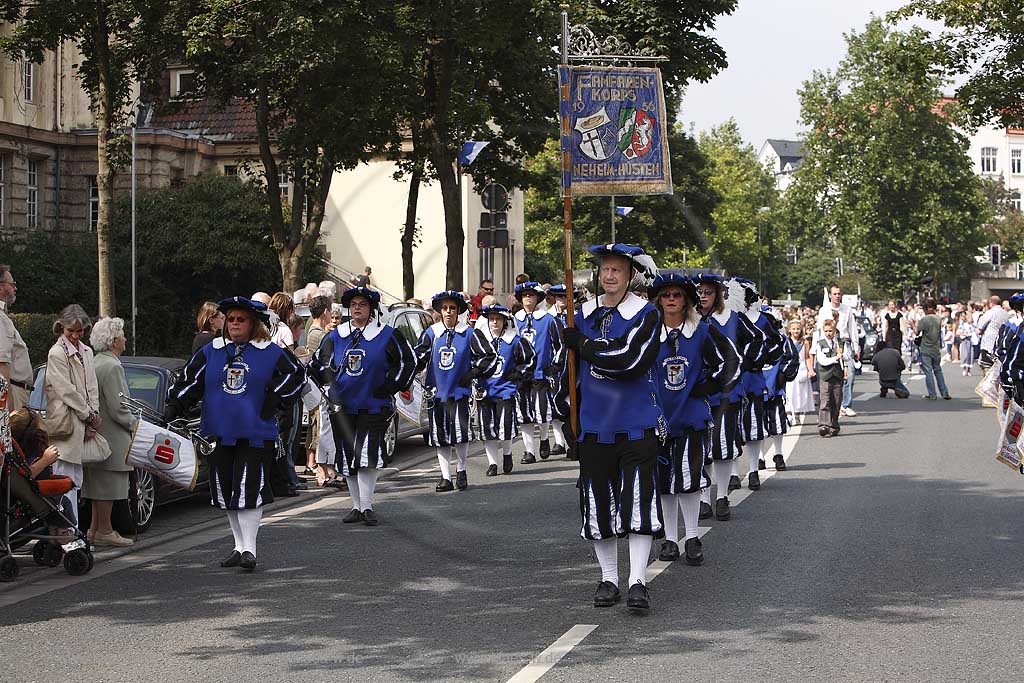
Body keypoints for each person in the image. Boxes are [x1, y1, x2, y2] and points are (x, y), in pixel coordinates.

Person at [165, 296, 305, 570]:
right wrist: (175, 404)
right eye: (230, 319)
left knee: (248, 488)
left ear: (253, 323)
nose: (234, 324)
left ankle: (250, 549)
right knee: (226, 489)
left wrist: (275, 398)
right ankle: (239, 546)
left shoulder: (269, 351)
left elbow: (296, 375)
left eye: (241, 320)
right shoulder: (212, 350)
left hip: (255, 432)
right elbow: (190, 380)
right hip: (218, 432)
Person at [560, 243, 663, 613]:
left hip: (636, 425)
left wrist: (584, 344)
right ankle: (609, 578)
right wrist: (567, 417)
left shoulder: (646, 314)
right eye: (605, 269)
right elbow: (566, 371)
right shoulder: (581, 313)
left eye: (618, 269)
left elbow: (628, 359)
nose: (610, 275)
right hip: (593, 427)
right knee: (597, 506)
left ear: (630, 274)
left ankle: (638, 581)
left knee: (637, 504)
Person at [648, 273, 739, 565]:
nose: (671, 299)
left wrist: (708, 386)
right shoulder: (648, 331)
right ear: (658, 300)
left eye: (676, 294)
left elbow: (730, 361)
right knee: (664, 482)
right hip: (657, 417)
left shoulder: (701, 331)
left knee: (688, 479)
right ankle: (670, 540)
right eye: (665, 295)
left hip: (691, 417)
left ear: (686, 299)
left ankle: (692, 537)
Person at [309, 287, 417, 525]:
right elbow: (317, 364)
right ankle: (356, 506)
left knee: (367, 454)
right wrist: (330, 385)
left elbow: (409, 361)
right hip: (343, 406)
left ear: (372, 309)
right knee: (348, 456)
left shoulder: (387, 334)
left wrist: (391, 386)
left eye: (363, 304)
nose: (357, 308)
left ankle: (367, 505)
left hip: (374, 404)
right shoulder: (336, 336)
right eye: (354, 304)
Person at [693, 273, 766, 521]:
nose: (702, 297)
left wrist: (743, 363)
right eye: (699, 292)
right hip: (695, 395)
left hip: (727, 392)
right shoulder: (689, 321)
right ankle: (704, 498)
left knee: (722, 446)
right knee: (701, 449)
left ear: (718, 294)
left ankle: (722, 496)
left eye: (707, 292)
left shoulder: (733, 318)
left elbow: (758, 340)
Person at [414, 290, 497, 491]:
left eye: (452, 308)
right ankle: (445, 477)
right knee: (440, 437)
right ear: (440, 311)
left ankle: (461, 469)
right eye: (445, 308)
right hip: (437, 393)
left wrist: (473, 373)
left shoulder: (469, 333)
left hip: (460, 393)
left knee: (460, 435)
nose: (448, 312)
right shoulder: (432, 333)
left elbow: (489, 356)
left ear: (458, 310)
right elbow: (418, 358)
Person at [44, 304, 106, 531]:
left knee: (75, 481)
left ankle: (73, 531)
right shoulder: (56, 353)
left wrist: (94, 415)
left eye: (80, 331)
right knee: (64, 480)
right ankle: (67, 533)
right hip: (65, 423)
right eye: (71, 330)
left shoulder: (87, 351)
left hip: (83, 421)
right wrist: (88, 415)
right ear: (62, 327)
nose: (75, 335)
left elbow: (92, 386)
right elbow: (66, 390)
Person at [730, 279, 784, 492]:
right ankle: (733, 472)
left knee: (754, 426)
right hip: (732, 382)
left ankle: (753, 470)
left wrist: (759, 359)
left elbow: (777, 344)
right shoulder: (729, 319)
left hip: (753, 379)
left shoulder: (763, 319)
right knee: (732, 428)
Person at [86, 317, 137, 547]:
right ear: (114, 340)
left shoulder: (95, 362)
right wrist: (135, 425)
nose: (125, 338)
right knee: (109, 484)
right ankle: (105, 530)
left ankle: (95, 529)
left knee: (97, 484)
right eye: (122, 335)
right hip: (113, 436)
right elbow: (119, 408)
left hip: (97, 434)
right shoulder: (113, 366)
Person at [475, 304, 536, 476]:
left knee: (505, 426)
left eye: (498, 319)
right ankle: (492, 463)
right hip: (485, 390)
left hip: (505, 389)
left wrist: (518, 373)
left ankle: (507, 454)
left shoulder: (514, 340)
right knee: (488, 428)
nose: (494, 322)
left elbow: (530, 358)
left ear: (504, 321)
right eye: (492, 319)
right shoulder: (481, 340)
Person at [512, 281, 564, 463]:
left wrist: (554, 365)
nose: (528, 298)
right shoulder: (514, 320)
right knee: (524, 414)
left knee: (541, 411)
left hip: (541, 373)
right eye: (525, 295)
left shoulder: (549, 320)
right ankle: (528, 451)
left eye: (532, 295)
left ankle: (543, 439)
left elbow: (560, 345)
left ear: (538, 298)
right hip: (520, 374)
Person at [759, 307, 800, 472]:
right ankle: (760, 456)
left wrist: (783, 375)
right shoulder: (752, 339)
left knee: (777, 422)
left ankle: (778, 453)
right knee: (757, 425)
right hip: (755, 390)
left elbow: (792, 359)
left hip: (775, 390)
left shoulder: (782, 340)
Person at [817, 284, 860, 417]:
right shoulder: (824, 310)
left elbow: (852, 329)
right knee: (831, 375)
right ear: (830, 295)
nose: (837, 296)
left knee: (850, 374)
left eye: (839, 294)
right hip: (829, 343)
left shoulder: (847, 309)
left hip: (844, 342)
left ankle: (846, 405)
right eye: (834, 294)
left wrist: (856, 347)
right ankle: (832, 403)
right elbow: (819, 330)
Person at [0, 265, 33, 410]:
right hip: (13, 393)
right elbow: (2, 366)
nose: (15, 288)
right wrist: (11, 411)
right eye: (12, 284)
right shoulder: (1, 319)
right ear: (0, 288)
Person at [811, 318, 847, 437]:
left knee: (836, 401)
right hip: (825, 375)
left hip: (837, 375)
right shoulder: (820, 344)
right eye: (826, 331)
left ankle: (834, 424)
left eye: (830, 331)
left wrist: (843, 357)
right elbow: (822, 360)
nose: (828, 333)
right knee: (825, 400)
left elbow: (846, 357)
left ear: (835, 331)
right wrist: (835, 358)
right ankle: (823, 425)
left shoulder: (840, 343)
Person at [918, 299, 951, 401]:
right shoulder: (938, 319)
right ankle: (944, 392)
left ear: (926, 308)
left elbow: (917, 332)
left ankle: (932, 394)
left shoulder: (924, 320)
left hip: (925, 348)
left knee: (928, 371)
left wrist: (912, 323)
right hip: (935, 348)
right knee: (938, 370)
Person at [785, 320, 815, 423]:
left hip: (801, 369)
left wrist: (810, 369)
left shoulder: (804, 342)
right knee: (789, 391)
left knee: (799, 393)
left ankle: (797, 413)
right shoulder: (786, 341)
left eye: (798, 329)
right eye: (793, 329)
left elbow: (807, 357)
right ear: (789, 330)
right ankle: (788, 413)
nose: (796, 331)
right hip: (790, 368)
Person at [976, 295, 1008, 371]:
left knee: (987, 368)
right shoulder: (1006, 314)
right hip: (1001, 343)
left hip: (988, 344)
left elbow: (979, 329)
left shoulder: (990, 313)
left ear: (991, 303)